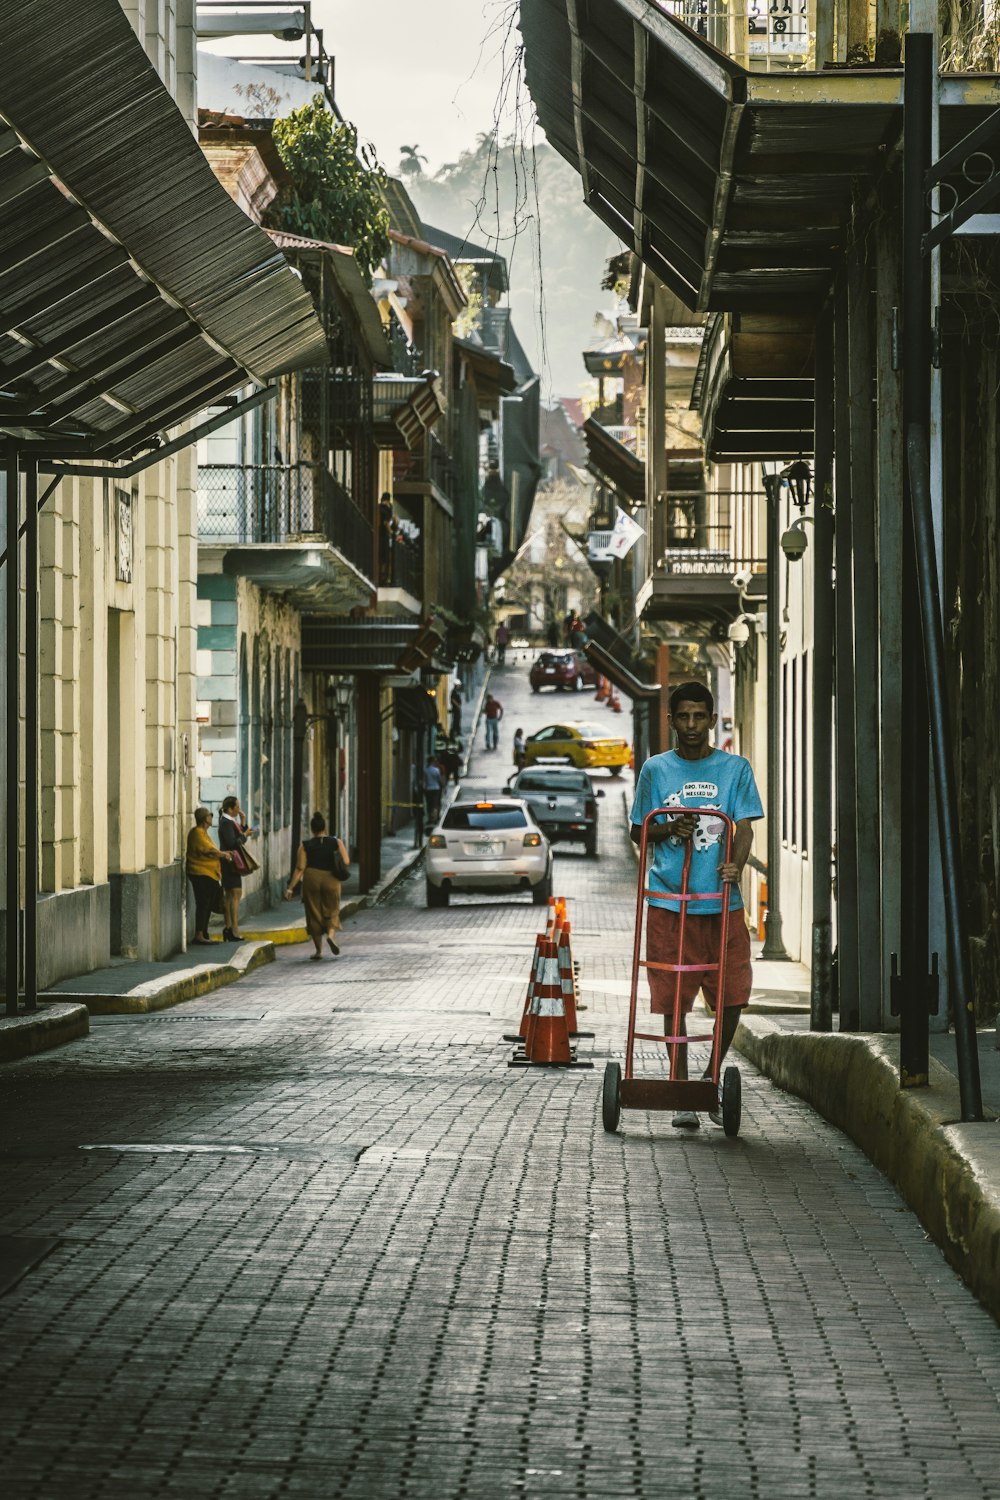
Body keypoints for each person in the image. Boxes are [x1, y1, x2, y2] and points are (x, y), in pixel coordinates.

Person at [629, 681, 763, 1131]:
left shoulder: (735, 769)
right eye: (682, 717)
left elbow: (744, 827)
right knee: (672, 998)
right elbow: (638, 832)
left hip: (721, 903)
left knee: (732, 994)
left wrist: (736, 866)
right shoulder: (654, 770)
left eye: (698, 717)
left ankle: (709, 1078)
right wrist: (670, 831)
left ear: (710, 719)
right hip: (670, 902)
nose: (690, 726)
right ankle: (681, 1085)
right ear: (671, 721)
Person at [285, 812, 350, 961]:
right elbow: (346, 861)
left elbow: (300, 868)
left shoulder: (305, 845)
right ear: (324, 827)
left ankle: (318, 951)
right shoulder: (336, 842)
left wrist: (290, 888)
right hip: (331, 879)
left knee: (313, 912)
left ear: (312, 829)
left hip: (311, 879)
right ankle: (331, 936)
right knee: (333, 909)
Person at [185, 807, 231, 944]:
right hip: (200, 873)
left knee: (208, 903)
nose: (212, 817)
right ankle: (199, 934)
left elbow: (212, 849)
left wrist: (224, 853)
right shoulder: (197, 833)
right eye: (210, 815)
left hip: (209, 874)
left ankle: (203, 932)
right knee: (203, 903)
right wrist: (224, 854)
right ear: (205, 818)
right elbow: (208, 850)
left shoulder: (204, 833)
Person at [218, 795, 256, 941]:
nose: (239, 809)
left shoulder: (229, 821)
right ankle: (234, 929)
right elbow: (233, 842)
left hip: (230, 862)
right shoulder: (226, 823)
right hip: (230, 863)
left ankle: (228, 928)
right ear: (230, 808)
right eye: (237, 807)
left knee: (229, 895)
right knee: (235, 894)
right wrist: (245, 835)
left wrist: (243, 822)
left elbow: (238, 834)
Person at [424, 756, 443, 827]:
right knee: (436, 804)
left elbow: (425, 780)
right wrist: (442, 786)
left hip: (428, 789)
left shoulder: (426, 770)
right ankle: (435, 818)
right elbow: (439, 779)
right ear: (432, 762)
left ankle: (430, 819)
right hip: (436, 788)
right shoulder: (436, 770)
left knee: (429, 804)